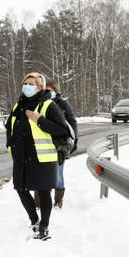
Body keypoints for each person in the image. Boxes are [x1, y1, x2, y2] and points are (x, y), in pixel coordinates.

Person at [6, 72, 67, 241]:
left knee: (44, 191)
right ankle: (34, 220)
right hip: (21, 158)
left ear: (40, 87)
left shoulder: (48, 106)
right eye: (25, 82)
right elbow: (9, 128)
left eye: (30, 83)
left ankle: (44, 226)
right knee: (21, 189)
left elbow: (62, 129)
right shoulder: (18, 106)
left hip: (42, 158)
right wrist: (10, 145)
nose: (26, 86)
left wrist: (40, 120)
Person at [47, 80, 78, 208]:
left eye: (50, 90)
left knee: (58, 174)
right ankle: (40, 202)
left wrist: (74, 141)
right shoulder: (39, 103)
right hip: (42, 145)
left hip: (60, 145)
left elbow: (72, 122)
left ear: (56, 91)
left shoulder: (63, 105)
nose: (47, 93)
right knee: (41, 174)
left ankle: (58, 202)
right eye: (45, 90)